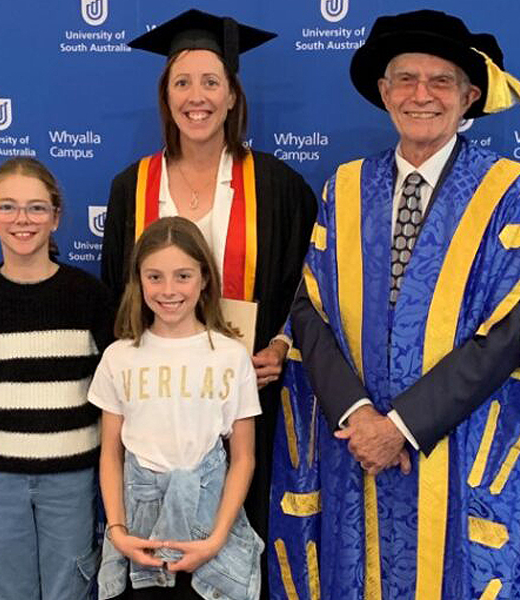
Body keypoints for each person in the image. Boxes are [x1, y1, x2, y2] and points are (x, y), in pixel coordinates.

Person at [270, 10, 520, 600]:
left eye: (440, 82)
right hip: (352, 448)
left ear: (469, 96)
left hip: (450, 451)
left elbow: (513, 331)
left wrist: (401, 428)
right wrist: (358, 418)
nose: (421, 95)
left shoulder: (512, 191)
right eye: (405, 79)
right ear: (384, 93)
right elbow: (309, 310)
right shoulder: (346, 186)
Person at [99, 8, 317, 567]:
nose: (196, 97)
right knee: (155, 551)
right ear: (166, 97)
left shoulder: (277, 186)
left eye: (210, 82)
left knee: (235, 550)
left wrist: (282, 345)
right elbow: (114, 298)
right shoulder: (133, 186)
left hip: (245, 399)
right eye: (182, 82)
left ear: (231, 96)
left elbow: (309, 284)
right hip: (156, 405)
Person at [0, 157, 114, 600]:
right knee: (3, 584)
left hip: (71, 475)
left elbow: (109, 386)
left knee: (71, 583)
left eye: (37, 207)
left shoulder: (89, 297)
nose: (22, 219)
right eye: (8, 207)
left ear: (56, 217)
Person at [90, 216, 264, 600]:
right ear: (139, 280)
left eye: (182, 276)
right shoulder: (119, 357)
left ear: (204, 278)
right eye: (155, 277)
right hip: (139, 534)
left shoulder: (231, 357)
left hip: (211, 531)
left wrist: (216, 539)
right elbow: (110, 455)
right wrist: (117, 531)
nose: (168, 290)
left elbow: (244, 458)